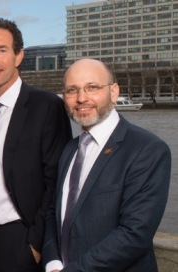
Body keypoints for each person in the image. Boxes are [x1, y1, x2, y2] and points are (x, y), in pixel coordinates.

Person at [43, 58, 171, 271]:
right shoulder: (69, 150)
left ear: (114, 92)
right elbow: (53, 213)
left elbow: (134, 234)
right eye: (72, 90)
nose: (82, 98)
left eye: (92, 87)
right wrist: (53, 262)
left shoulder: (147, 149)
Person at [0, 18, 73, 272]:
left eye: (2, 50)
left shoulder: (47, 106)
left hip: (20, 240)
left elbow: (57, 180)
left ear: (18, 56)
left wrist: (36, 243)